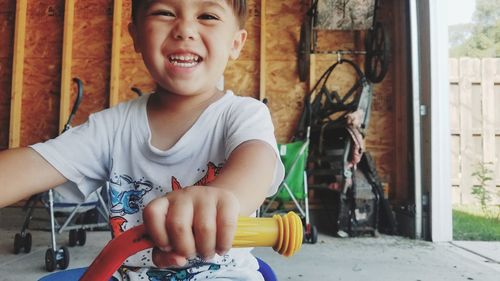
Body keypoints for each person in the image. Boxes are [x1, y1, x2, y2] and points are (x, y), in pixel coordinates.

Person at [0, 0, 284, 280]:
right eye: (165, 12)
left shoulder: (244, 115)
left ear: (236, 43)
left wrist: (223, 198)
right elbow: (33, 165)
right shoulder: (113, 127)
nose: (184, 29)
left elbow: (256, 164)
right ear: (135, 35)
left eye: (207, 15)